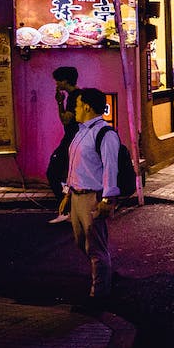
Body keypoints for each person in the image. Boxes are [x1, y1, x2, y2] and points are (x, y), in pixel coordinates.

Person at [65, 87, 123, 302]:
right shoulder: (82, 131)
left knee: (96, 247)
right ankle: (105, 275)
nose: (75, 109)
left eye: (78, 105)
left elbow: (110, 168)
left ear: (87, 106)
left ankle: (98, 295)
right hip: (77, 195)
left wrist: (108, 199)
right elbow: (75, 166)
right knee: (83, 243)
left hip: (93, 197)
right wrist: (67, 193)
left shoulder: (104, 134)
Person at [45, 66, 81, 226]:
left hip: (71, 140)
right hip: (74, 140)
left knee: (53, 173)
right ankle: (69, 209)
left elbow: (66, 120)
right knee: (66, 175)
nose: (56, 84)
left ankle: (66, 210)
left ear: (65, 80)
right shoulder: (77, 95)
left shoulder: (74, 97)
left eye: (58, 80)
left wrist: (59, 103)